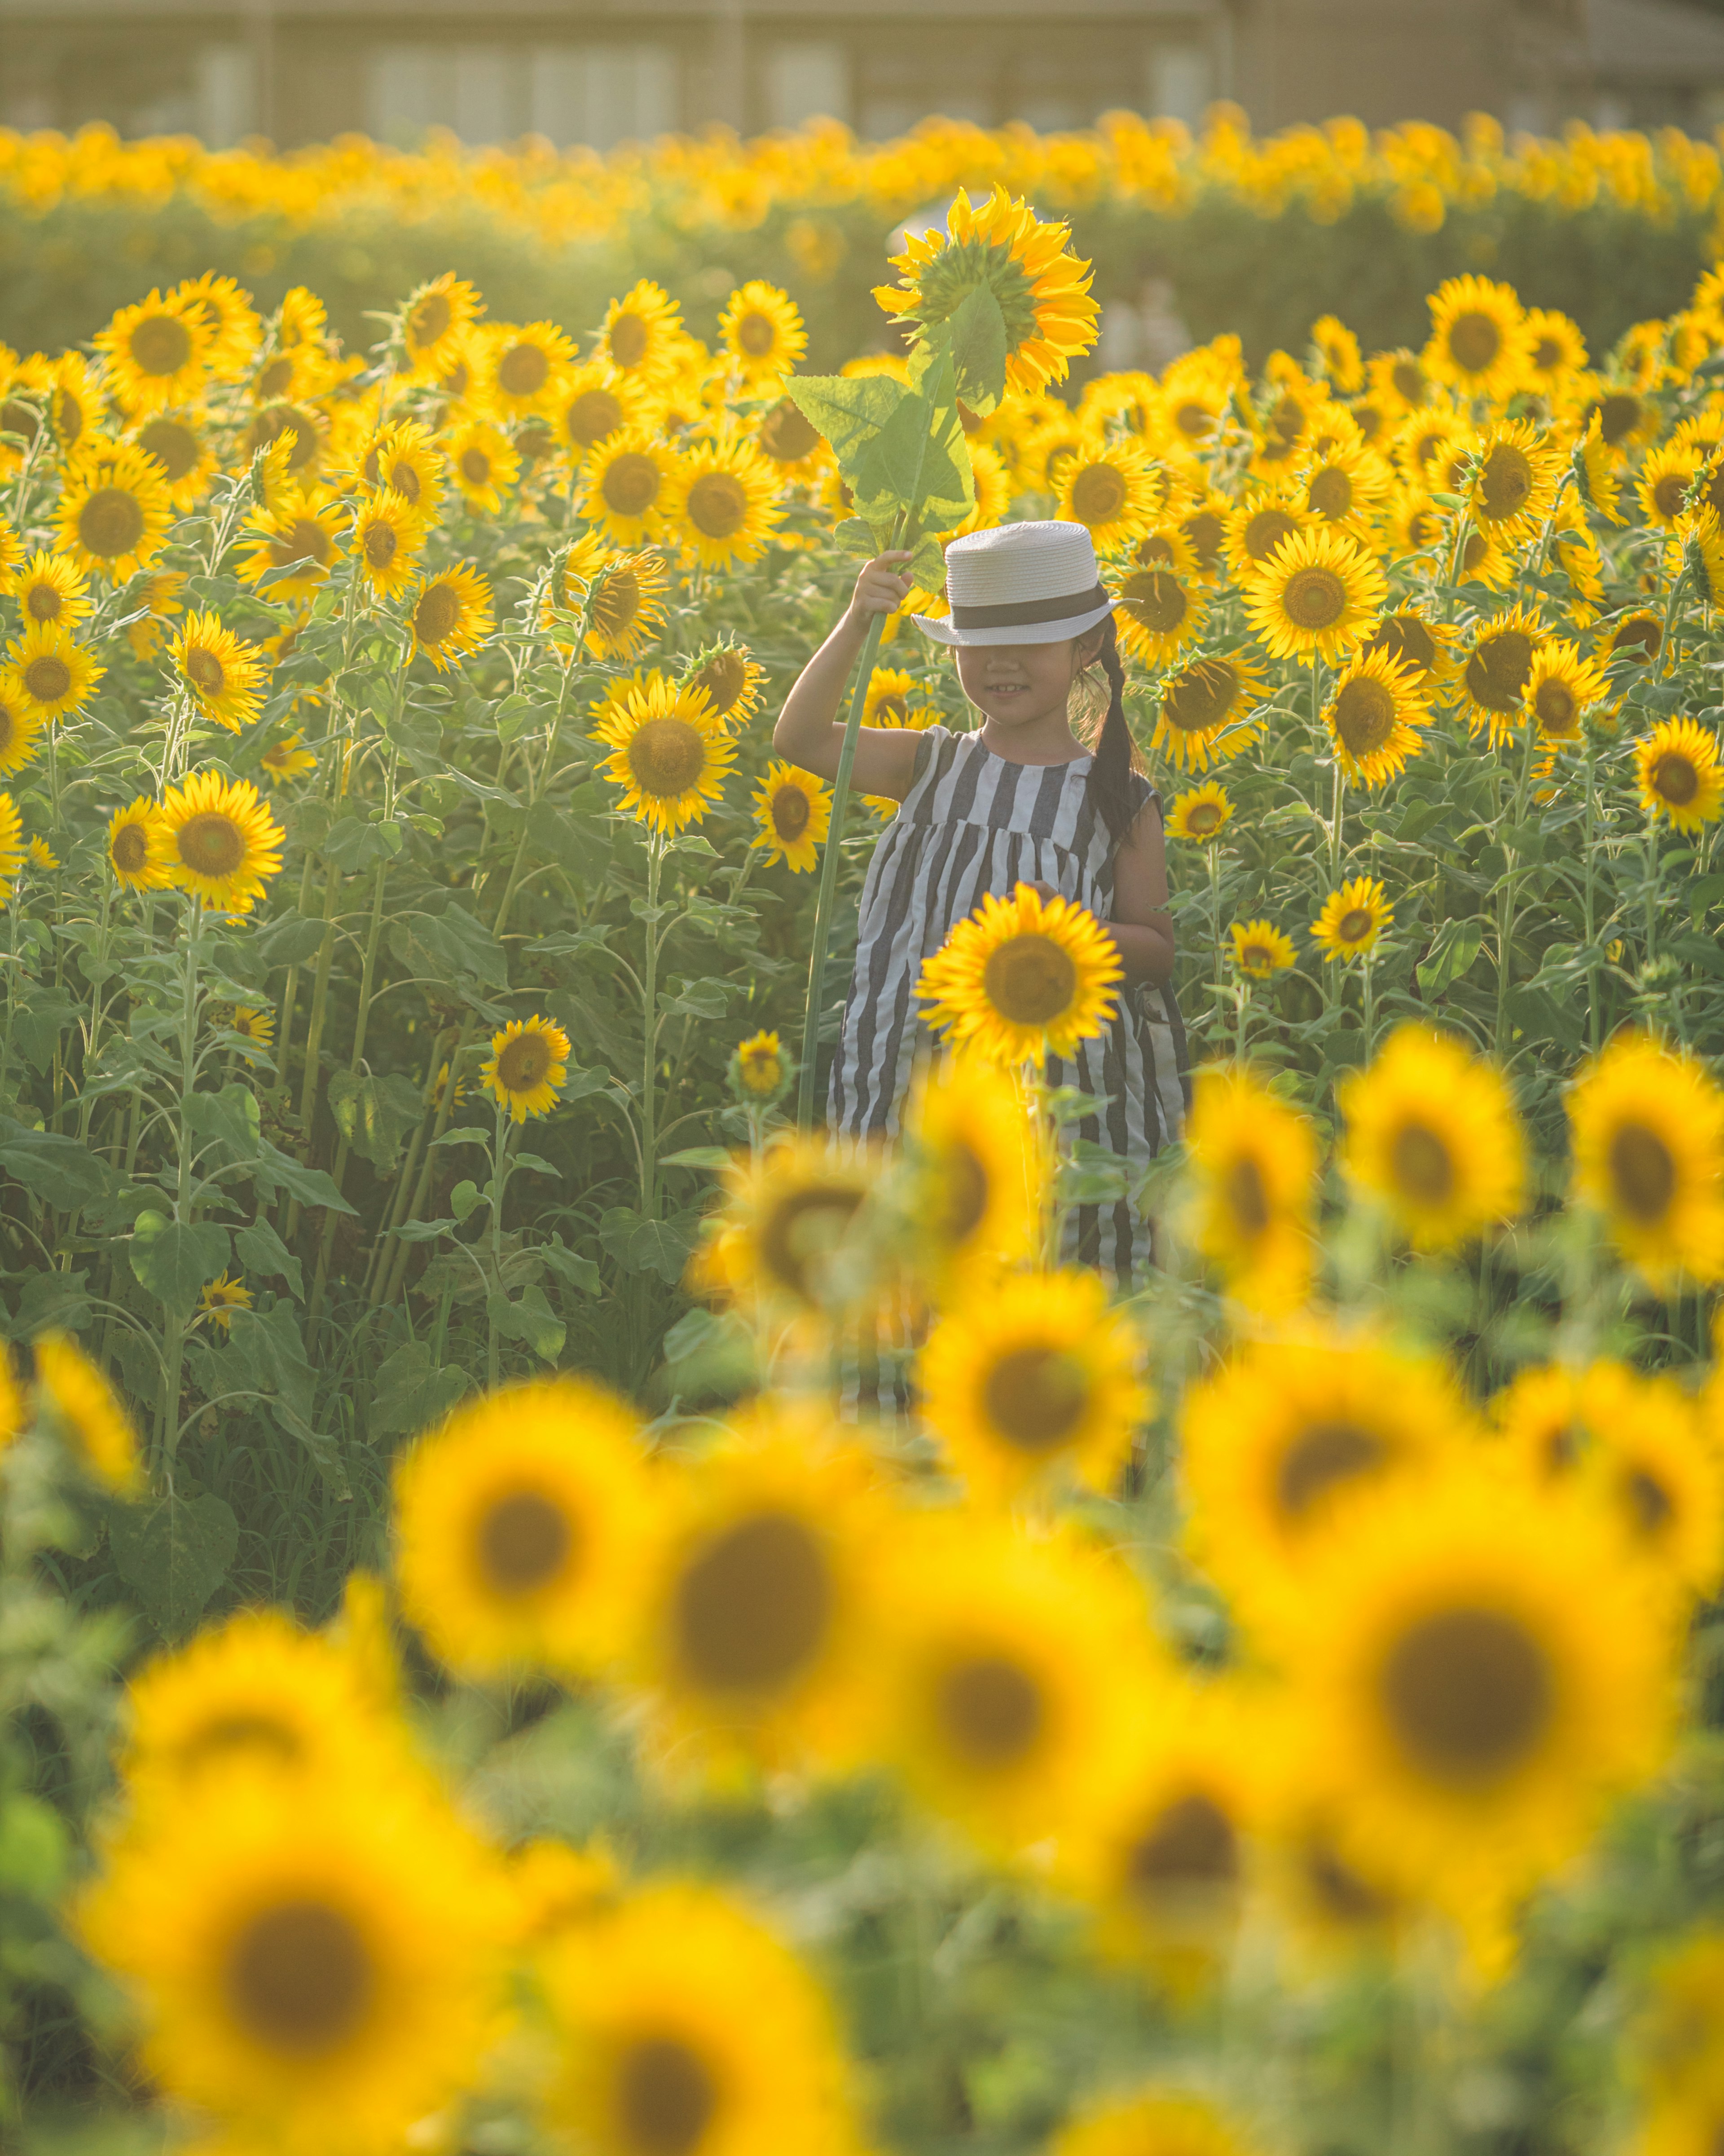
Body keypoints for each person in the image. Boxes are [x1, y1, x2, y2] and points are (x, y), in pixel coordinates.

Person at [774, 518, 1188, 1277]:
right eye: (978, 640)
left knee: (1039, 1247)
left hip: (1055, 1079)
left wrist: (1056, 941)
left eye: (1030, 640)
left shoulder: (1117, 798)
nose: (1000, 662)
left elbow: (1157, 949)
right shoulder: (930, 765)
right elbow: (799, 739)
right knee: (904, 1256)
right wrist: (858, 621)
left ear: (1084, 648)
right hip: (910, 1071)